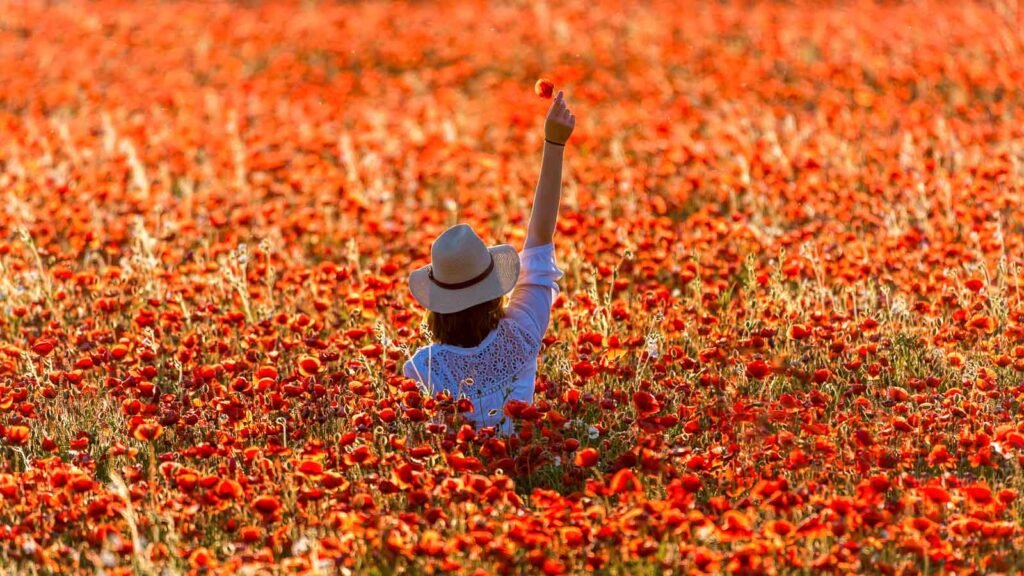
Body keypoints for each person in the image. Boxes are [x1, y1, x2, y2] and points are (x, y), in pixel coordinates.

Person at [403, 91, 576, 435]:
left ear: (437, 304)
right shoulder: (522, 332)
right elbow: (540, 236)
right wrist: (553, 145)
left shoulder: (424, 368)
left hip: (464, 480)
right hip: (527, 463)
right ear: (495, 289)